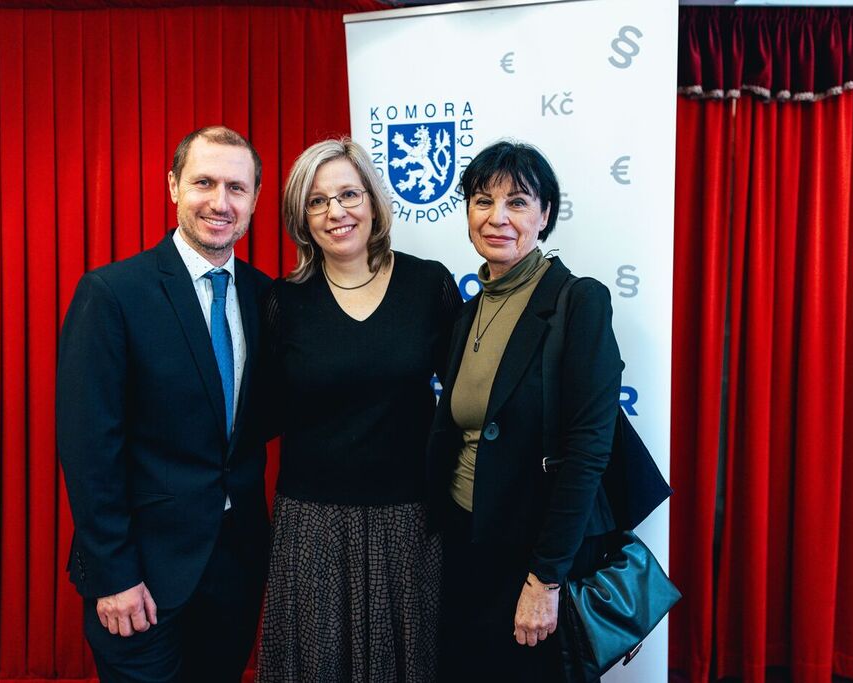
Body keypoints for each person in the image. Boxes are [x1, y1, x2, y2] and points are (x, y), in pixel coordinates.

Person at [57, 126, 273, 683]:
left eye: (237, 187)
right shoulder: (112, 294)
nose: (220, 202)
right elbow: (88, 449)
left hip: (234, 573)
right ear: (174, 185)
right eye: (204, 182)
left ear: (254, 199)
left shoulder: (264, 295)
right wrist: (114, 575)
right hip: (141, 580)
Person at [255, 138, 461, 682]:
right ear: (302, 218)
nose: (336, 212)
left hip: (410, 519)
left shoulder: (429, 284)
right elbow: (259, 412)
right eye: (317, 201)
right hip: (312, 524)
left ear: (372, 200)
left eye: (348, 194)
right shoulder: (282, 301)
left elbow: (466, 399)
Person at [426, 140, 623, 681]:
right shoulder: (467, 312)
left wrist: (546, 579)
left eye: (517, 202)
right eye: (482, 201)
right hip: (466, 544)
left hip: (535, 554)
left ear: (545, 214)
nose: (497, 218)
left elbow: (588, 452)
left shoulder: (578, 301)